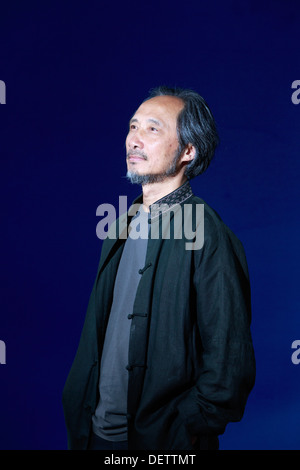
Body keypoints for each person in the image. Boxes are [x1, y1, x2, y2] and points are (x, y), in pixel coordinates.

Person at [62, 86, 256, 451]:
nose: (135, 138)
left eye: (153, 129)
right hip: (96, 434)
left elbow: (230, 356)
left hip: (163, 442)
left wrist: (188, 426)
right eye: (133, 126)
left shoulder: (206, 232)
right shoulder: (120, 228)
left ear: (188, 151)